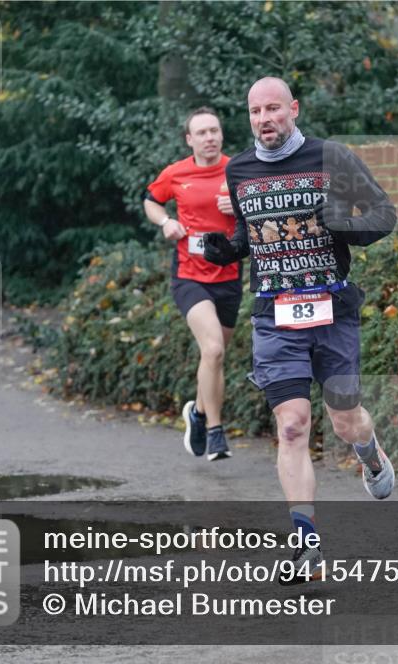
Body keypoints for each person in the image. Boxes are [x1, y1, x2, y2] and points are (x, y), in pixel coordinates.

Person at [203, 77, 397, 583]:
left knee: (345, 420)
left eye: (273, 109)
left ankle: (370, 454)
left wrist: (343, 226)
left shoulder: (331, 157)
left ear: (293, 109)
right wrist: (225, 249)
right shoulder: (240, 170)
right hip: (274, 313)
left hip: (332, 307)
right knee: (290, 424)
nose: (264, 119)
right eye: (254, 111)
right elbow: (250, 234)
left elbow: (383, 215)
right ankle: (307, 547)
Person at [143, 107, 239, 461]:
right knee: (212, 349)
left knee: (215, 358)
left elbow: (261, 213)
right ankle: (215, 432)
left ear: (221, 135)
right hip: (189, 275)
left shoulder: (237, 170)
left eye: (214, 131)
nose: (210, 137)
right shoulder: (176, 173)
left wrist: (240, 208)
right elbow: (150, 202)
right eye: (202, 133)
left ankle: (197, 413)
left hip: (229, 275)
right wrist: (165, 221)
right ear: (190, 139)